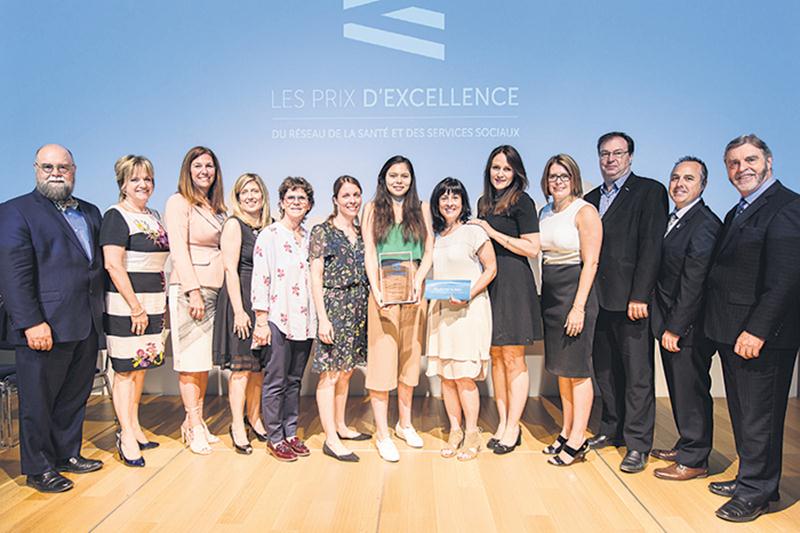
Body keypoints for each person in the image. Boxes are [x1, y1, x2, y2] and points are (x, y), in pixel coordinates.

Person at [704, 134, 800, 523]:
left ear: (769, 162)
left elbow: (786, 279)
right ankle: (752, 478)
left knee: (760, 416)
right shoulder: (740, 210)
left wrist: (758, 331)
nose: (741, 168)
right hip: (734, 332)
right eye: (733, 163)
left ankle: (756, 493)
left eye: (750, 160)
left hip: (762, 337)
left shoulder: (787, 208)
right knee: (744, 414)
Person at [0, 144, 104, 492]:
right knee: (38, 401)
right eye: (48, 166)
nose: (56, 172)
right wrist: (31, 322)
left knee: (74, 396)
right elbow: (14, 275)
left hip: (85, 322)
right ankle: (38, 467)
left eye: (63, 166)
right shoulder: (15, 212)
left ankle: (66, 454)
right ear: (35, 169)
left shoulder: (90, 212)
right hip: (44, 325)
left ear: (74, 170)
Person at [584, 131, 668, 473]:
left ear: (630, 157)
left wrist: (640, 295)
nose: (611, 159)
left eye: (618, 153)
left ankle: (637, 444)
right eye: (605, 153)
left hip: (632, 302)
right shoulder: (588, 199)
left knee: (637, 375)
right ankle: (612, 429)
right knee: (605, 371)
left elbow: (651, 248)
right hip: (597, 302)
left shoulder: (650, 191)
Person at [649, 157, 721, 481]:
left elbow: (694, 282)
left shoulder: (704, 224)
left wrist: (676, 327)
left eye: (688, 179)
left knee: (692, 391)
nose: (679, 183)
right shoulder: (674, 219)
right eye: (675, 177)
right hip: (667, 322)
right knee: (680, 389)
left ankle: (695, 459)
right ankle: (686, 444)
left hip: (687, 327)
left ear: (702, 186)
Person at [468, 145, 541, 455]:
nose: (500, 173)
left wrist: (489, 231)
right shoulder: (485, 202)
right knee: (496, 356)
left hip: (514, 284)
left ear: (516, 173)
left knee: (513, 357)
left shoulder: (523, 202)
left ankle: (514, 426)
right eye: (496, 168)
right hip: (491, 283)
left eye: (506, 169)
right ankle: (502, 422)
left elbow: (532, 248)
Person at [362, 155, 434, 462]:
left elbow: (429, 249)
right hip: (383, 287)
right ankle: (382, 434)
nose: (399, 180)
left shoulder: (423, 208)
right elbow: (368, 251)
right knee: (382, 361)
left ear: (411, 178)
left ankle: (405, 424)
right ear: (384, 177)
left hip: (414, 287)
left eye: (404, 175)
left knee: (409, 359)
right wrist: (376, 288)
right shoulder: (371, 209)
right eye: (393, 175)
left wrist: (418, 279)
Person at [101, 155, 170, 467]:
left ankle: (136, 425)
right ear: (123, 184)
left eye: (148, 179)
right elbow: (113, 265)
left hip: (154, 302)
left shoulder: (153, 215)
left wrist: (159, 303)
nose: (143, 184)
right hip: (128, 305)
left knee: (140, 367)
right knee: (126, 370)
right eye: (135, 179)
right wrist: (136, 307)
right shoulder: (115, 216)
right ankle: (125, 434)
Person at [537, 154, 602, 466]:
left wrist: (578, 308)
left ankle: (579, 439)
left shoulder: (585, 211)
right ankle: (566, 430)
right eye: (552, 176)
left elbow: (591, 261)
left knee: (577, 370)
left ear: (574, 179)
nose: (558, 181)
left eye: (563, 176)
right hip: (551, 295)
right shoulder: (545, 211)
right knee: (561, 370)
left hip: (576, 294)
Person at [426, 178, 496, 461]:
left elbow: (491, 268)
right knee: (446, 377)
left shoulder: (473, 231)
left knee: (465, 377)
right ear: (437, 203)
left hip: (469, 312)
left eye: (455, 197)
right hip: (441, 312)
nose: (449, 202)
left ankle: (472, 433)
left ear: (463, 202)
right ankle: (454, 430)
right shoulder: (436, 235)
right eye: (444, 197)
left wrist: (469, 293)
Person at [164, 146, 226, 455]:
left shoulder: (216, 207)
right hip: (192, 292)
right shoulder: (178, 202)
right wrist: (193, 291)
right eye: (198, 165)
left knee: (202, 363)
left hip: (214, 291)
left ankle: (196, 422)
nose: (204, 171)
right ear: (188, 170)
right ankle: (193, 423)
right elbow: (178, 249)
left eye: (209, 166)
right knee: (189, 363)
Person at [252, 177, 317, 462]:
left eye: (301, 198)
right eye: (291, 197)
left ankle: (291, 433)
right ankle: (274, 437)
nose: (296, 202)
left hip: (305, 320)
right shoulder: (269, 235)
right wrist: (261, 319)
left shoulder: (310, 237)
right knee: (276, 380)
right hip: (278, 316)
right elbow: (261, 277)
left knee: (294, 380)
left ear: (309, 204)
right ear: (281, 202)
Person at [309, 176, 371, 463]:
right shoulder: (322, 231)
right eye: (346, 195)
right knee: (330, 373)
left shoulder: (361, 232)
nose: (352, 200)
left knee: (346, 371)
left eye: (356, 194)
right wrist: (323, 318)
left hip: (358, 307)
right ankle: (330, 439)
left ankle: (341, 426)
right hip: (334, 307)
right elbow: (315, 277)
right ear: (335, 199)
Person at [212, 173, 271, 455]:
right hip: (241, 302)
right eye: (244, 191)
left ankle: (255, 417)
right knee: (241, 370)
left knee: (258, 370)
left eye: (255, 190)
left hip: (263, 305)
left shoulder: (269, 226)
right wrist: (238, 311)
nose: (251, 196)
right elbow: (229, 269)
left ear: (263, 195)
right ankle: (237, 425)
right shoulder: (234, 225)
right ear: (237, 197)